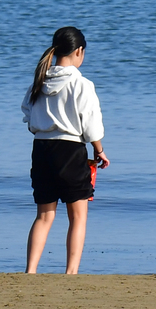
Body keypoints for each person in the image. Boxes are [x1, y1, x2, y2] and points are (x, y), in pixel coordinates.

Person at [22, 26, 108, 274]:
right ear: (79, 51)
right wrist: (99, 150)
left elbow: (27, 113)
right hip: (70, 149)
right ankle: (70, 272)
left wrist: (41, 129)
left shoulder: (39, 80)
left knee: (44, 216)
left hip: (41, 149)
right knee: (78, 216)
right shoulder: (81, 84)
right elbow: (91, 122)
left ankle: (31, 270)